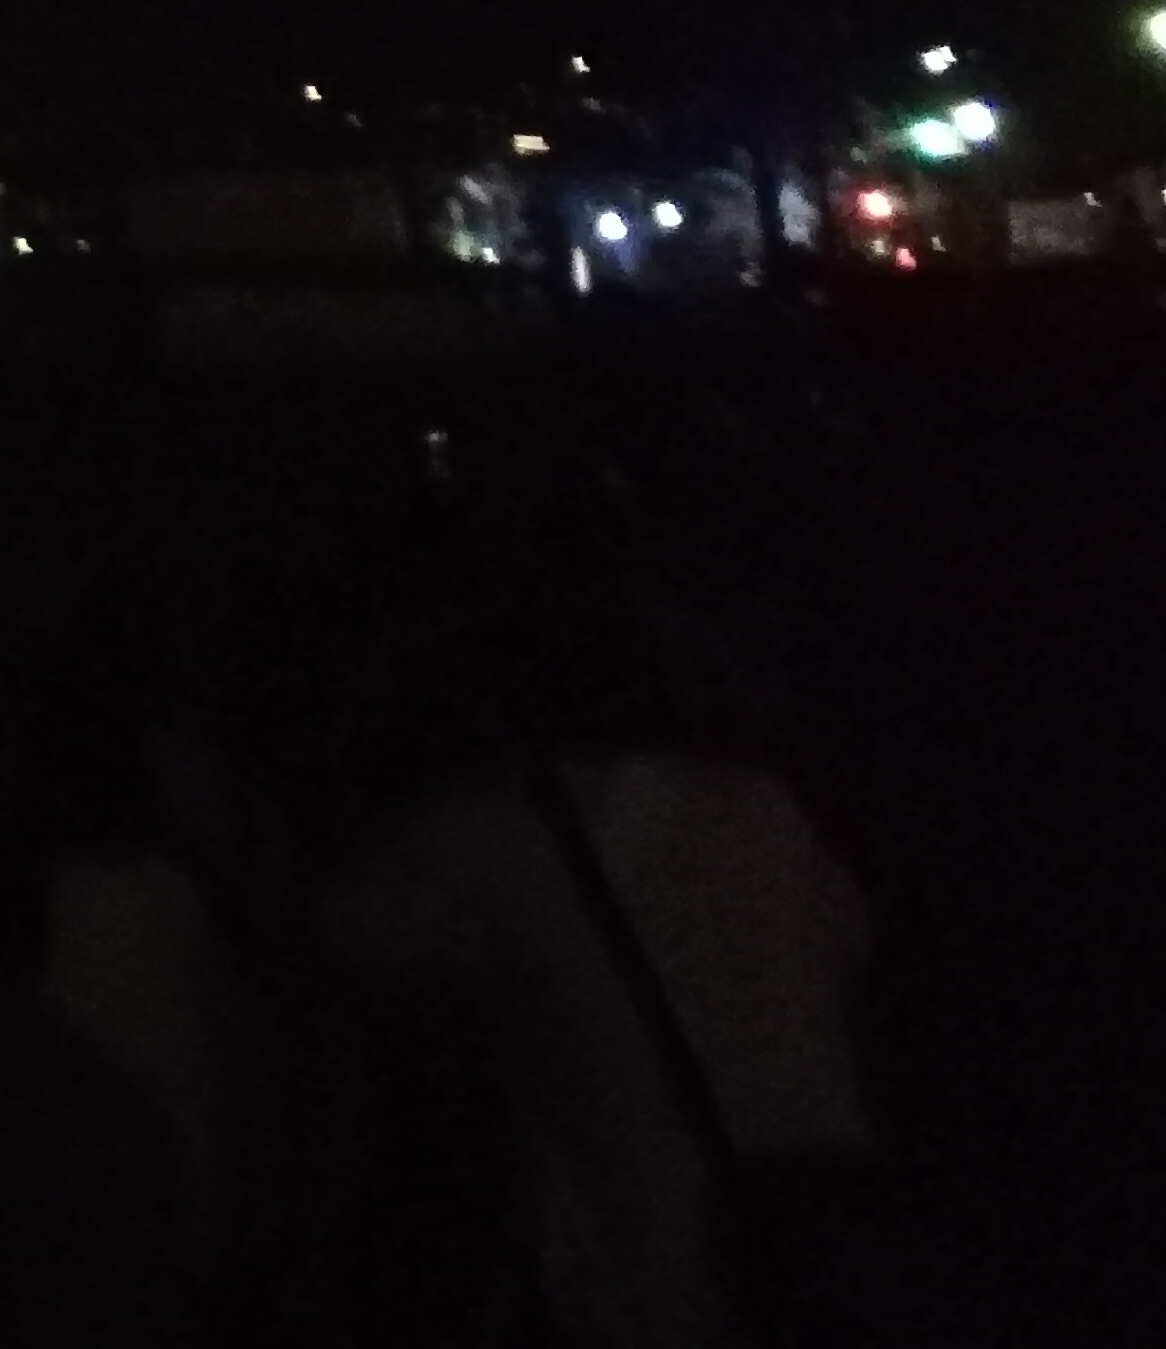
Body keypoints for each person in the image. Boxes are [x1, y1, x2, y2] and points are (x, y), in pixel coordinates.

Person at [317, 562, 882, 1349]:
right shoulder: (765, 808)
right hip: (824, 1264)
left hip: (644, 1291)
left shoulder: (483, 840)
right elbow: (850, 945)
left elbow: (332, 953)